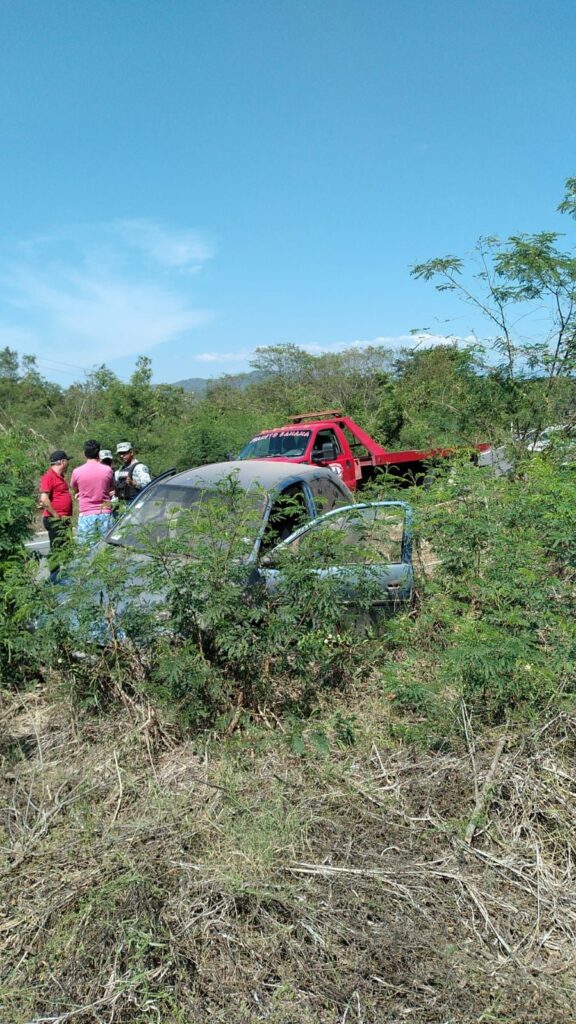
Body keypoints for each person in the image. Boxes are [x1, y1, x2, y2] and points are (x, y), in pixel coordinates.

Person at [71, 439, 115, 545]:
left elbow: (76, 489)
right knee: (107, 549)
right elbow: (111, 488)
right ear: (98, 453)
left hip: (86, 515)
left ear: (85, 453)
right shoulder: (108, 470)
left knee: (86, 550)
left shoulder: (77, 472)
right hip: (105, 514)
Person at [39, 450, 73, 583]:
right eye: (67, 460)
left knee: (67, 548)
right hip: (55, 520)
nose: (68, 463)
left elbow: (46, 500)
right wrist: (56, 516)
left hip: (63, 519)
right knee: (57, 548)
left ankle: (69, 575)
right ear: (62, 462)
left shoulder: (60, 476)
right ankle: (54, 578)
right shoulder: (49, 476)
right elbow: (44, 498)